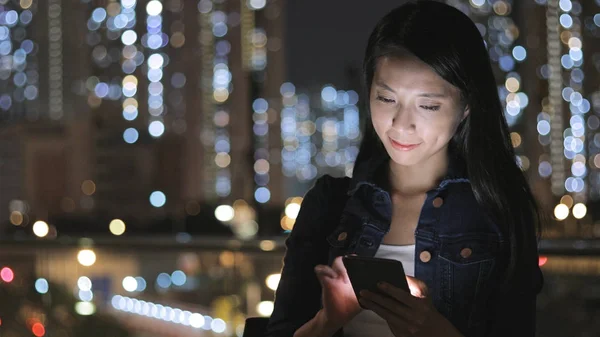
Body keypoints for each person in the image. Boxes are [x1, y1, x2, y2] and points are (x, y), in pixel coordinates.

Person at [265, 1, 544, 336]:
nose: (401, 123)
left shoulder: (498, 209)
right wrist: (327, 321)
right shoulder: (330, 206)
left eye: (427, 105)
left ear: (467, 106)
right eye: (386, 99)